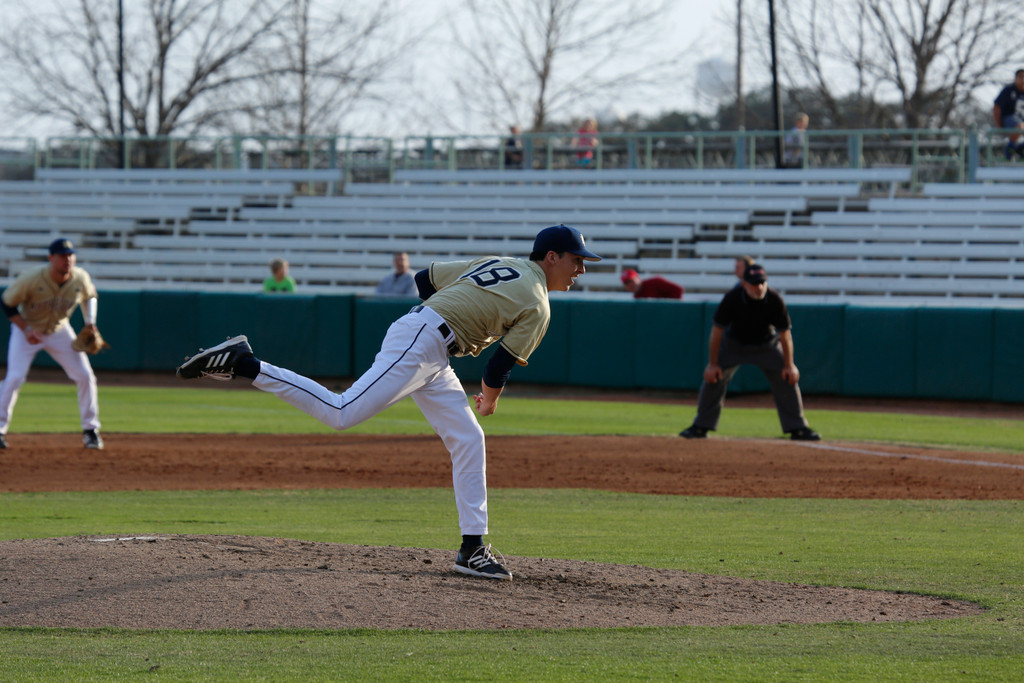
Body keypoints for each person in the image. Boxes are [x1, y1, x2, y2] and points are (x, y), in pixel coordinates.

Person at [176, 224, 601, 581]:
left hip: (430, 343)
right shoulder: (539, 301)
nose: (581, 268)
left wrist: (443, 320)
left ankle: (472, 549)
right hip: (426, 342)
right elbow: (500, 365)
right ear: (551, 257)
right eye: (576, 260)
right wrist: (488, 402)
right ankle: (246, 364)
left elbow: (424, 280)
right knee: (341, 413)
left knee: (469, 439)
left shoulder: (502, 263)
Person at [679, 263, 821, 442]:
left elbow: (785, 335)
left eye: (762, 283)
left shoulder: (774, 299)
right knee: (713, 378)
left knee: (787, 378)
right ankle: (700, 426)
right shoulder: (733, 298)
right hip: (734, 344)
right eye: (754, 283)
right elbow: (716, 333)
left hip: (766, 345)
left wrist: (789, 365)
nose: (759, 287)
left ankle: (798, 427)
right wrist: (713, 364)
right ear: (744, 284)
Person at [0, 238, 104, 450]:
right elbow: (7, 302)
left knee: (85, 376)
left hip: (59, 330)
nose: (67, 259)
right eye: (62, 255)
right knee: (15, 377)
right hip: (27, 330)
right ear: (51, 258)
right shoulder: (32, 278)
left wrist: (90, 322)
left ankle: (90, 430)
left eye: (70, 255)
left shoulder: (80, 277)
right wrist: (26, 329)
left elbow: (90, 295)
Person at [993, 69, 1024, 160]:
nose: (1022, 79)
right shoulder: (1008, 90)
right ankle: (1010, 147)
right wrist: (999, 126)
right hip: (1009, 120)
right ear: (1015, 78)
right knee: (1020, 126)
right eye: (1020, 77)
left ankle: (1019, 149)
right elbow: (997, 107)